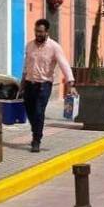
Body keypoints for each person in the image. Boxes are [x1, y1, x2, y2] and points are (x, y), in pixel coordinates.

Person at [21, 18, 74, 153]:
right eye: (36, 31)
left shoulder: (54, 47)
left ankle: (36, 140)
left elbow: (64, 65)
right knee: (30, 112)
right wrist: (22, 83)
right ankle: (36, 130)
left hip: (44, 85)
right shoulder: (29, 46)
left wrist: (70, 83)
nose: (38, 34)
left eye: (40, 32)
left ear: (46, 32)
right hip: (29, 83)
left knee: (39, 112)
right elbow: (26, 65)